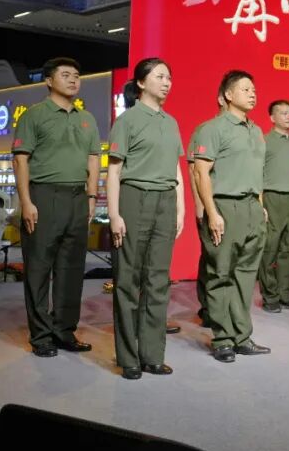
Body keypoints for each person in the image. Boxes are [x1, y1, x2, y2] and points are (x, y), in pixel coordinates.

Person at [12, 57, 101, 358]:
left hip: (78, 198)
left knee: (71, 269)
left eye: (77, 75)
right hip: (44, 195)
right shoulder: (34, 115)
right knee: (39, 268)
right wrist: (26, 202)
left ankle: (64, 331)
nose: (73, 80)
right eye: (65, 75)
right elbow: (20, 159)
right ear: (49, 81)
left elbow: (93, 159)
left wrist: (91, 198)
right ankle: (41, 336)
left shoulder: (86, 118)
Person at [106, 58, 185, 380]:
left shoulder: (171, 122)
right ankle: (128, 357)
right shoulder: (127, 120)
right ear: (141, 83)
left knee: (158, 280)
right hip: (134, 197)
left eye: (169, 77)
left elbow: (176, 169)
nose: (166, 83)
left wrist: (180, 208)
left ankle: (152, 355)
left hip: (166, 200)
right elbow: (114, 171)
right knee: (128, 280)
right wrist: (114, 214)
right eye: (160, 76)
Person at [193, 70, 271, 362]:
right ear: (228, 94)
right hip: (225, 206)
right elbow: (201, 173)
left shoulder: (256, 130)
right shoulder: (212, 129)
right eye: (245, 89)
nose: (252, 94)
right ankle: (222, 339)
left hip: (252, 207)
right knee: (220, 274)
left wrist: (260, 205)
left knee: (246, 276)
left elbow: (257, 173)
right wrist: (212, 212)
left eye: (254, 89)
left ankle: (242, 336)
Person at [258, 100, 289, 312]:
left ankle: (285, 293)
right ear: (272, 117)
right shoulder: (264, 141)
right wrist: (261, 203)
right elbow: (257, 174)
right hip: (272, 198)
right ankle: (270, 296)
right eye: (283, 113)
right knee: (270, 248)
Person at [186, 95, 225, 328]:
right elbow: (195, 170)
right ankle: (208, 307)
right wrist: (200, 204)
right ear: (223, 98)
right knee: (212, 257)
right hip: (211, 202)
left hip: (233, 204)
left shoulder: (248, 130)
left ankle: (223, 308)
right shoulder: (206, 130)